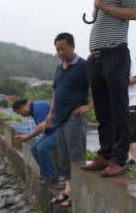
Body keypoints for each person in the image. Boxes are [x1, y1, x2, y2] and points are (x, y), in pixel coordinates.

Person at [77, 0, 136, 177]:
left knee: (118, 108)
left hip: (116, 54)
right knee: (103, 110)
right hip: (97, 57)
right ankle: (105, 154)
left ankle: (119, 158)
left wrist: (106, 7)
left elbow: (135, 13)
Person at [46, 32, 91, 209]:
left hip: (75, 116)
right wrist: (51, 113)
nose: (60, 52)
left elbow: (96, 86)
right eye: (57, 49)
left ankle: (77, 193)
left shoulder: (84, 66)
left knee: (76, 156)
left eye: (63, 49)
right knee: (64, 156)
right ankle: (68, 190)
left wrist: (89, 106)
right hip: (60, 117)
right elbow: (56, 92)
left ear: (72, 47)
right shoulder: (59, 68)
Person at [12, 98, 58, 185]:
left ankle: (52, 177)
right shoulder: (34, 109)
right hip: (51, 132)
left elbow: (42, 126)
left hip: (61, 130)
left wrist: (28, 137)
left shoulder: (38, 108)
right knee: (34, 149)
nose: (20, 115)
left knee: (42, 148)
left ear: (23, 107)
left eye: (19, 112)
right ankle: (46, 174)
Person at [127, 53, 136, 168]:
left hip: (131, 102)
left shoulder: (130, 58)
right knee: (120, 132)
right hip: (118, 102)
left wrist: (119, 82)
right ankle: (121, 160)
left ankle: (132, 161)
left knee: (132, 133)